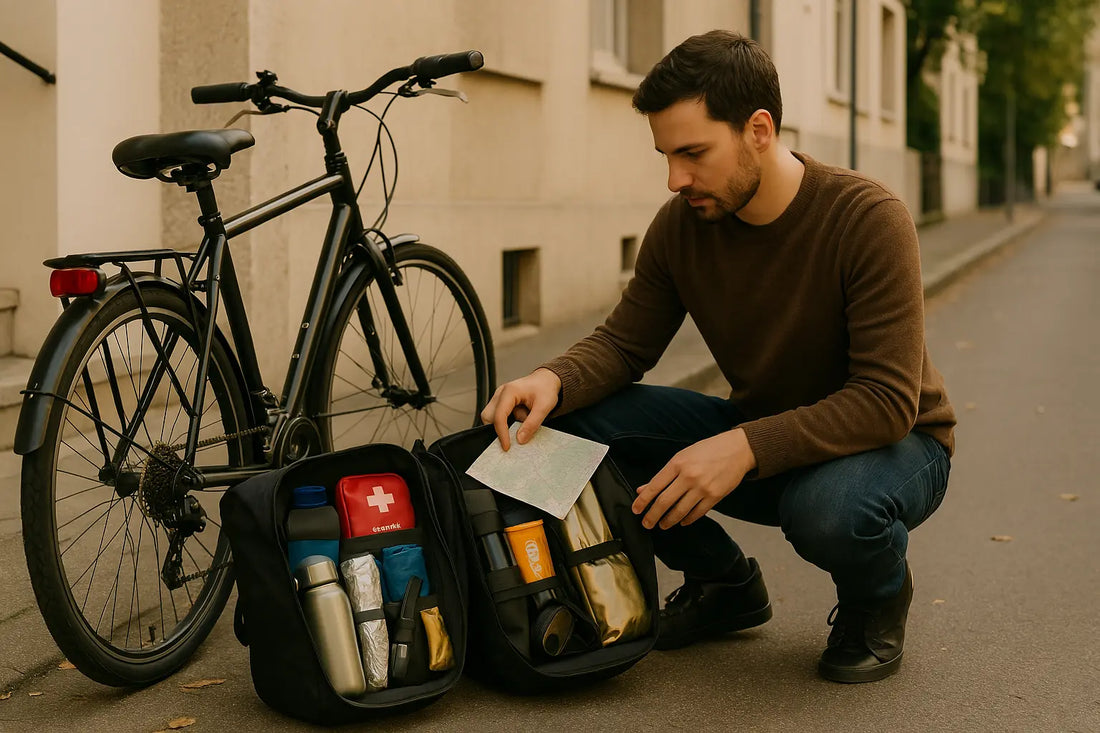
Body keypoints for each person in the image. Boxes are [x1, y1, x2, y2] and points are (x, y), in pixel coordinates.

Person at [480, 29, 955, 683]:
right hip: (767, 434)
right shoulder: (683, 224)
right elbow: (624, 344)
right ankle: (723, 585)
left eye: (693, 153)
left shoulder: (868, 218)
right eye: (666, 155)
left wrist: (742, 448)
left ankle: (877, 596)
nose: (676, 178)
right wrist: (548, 378)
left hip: (895, 446)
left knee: (827, 510)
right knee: (571, 420)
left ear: (759, 129)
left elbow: (886, 401)